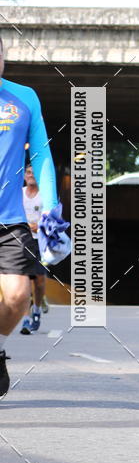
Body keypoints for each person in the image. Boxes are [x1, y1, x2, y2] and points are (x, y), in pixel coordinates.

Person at [0, 35, 59, 398]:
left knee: (18, 296)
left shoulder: (24, 98)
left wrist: (51, 208)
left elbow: (40, 155)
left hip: (9, 219)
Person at [20, 165, 48, 334]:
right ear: (24, 176)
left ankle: (37, 309)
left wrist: (35, 226)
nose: (31, 176)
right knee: (24, 282)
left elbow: (48, 220)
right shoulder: (19, 194)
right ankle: (25, 319)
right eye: (28, 173)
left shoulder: (45, 195)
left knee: (38, 281)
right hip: (23, 241)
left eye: (34, 173)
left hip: (40, 242)